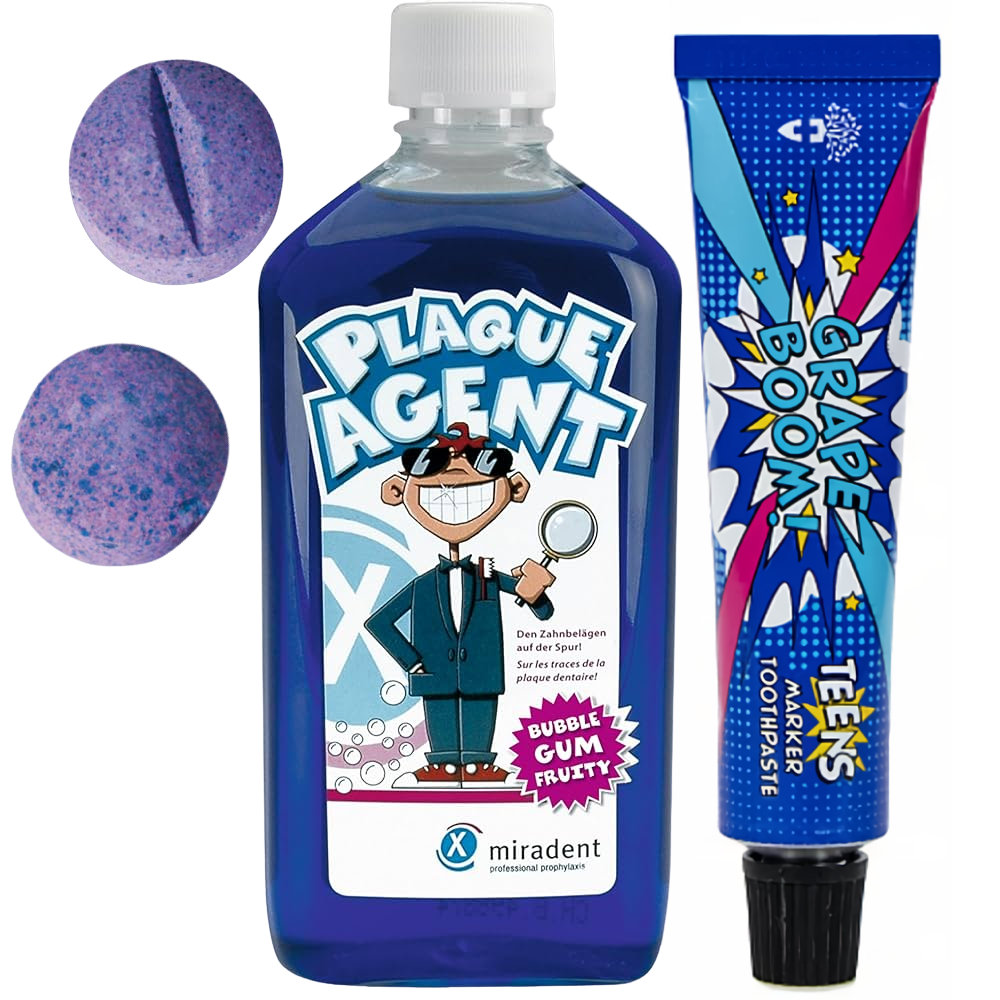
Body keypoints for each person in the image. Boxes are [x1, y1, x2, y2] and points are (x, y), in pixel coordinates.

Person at [366, 422, 555, 783]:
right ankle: (443, 766)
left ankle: (478, 765)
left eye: (485, 462)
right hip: (434, 675)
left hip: (482, 674)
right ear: (396, 490)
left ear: (515, 487)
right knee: (441, 726)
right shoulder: (423, 585)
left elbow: (541, 608)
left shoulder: (486, 575)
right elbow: (378, 623)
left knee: (480, 721)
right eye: (429, 463)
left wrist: (535, 595)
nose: (456, 471)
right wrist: (412, 661)